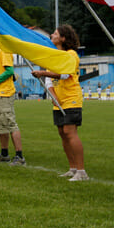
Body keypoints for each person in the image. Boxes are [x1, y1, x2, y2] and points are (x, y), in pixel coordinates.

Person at [32, 25, 87, 181]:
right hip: (59, 101)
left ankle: (82, 171)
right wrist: (54, 97)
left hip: (71, 99)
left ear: (63, 38)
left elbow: (64, 75)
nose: (51, 35)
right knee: (62, 134)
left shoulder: (71, 55)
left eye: (55, 33)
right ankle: (73, 168)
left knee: (70, 132)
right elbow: (49, 81)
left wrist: (42, 72)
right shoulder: (54, 56)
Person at [0, 47, 26, 166]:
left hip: (4, 93)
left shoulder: (5, 50)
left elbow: (9, 71)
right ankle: (4, 154)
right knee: (0, 124)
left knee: (10, 123)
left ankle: (19, 156)